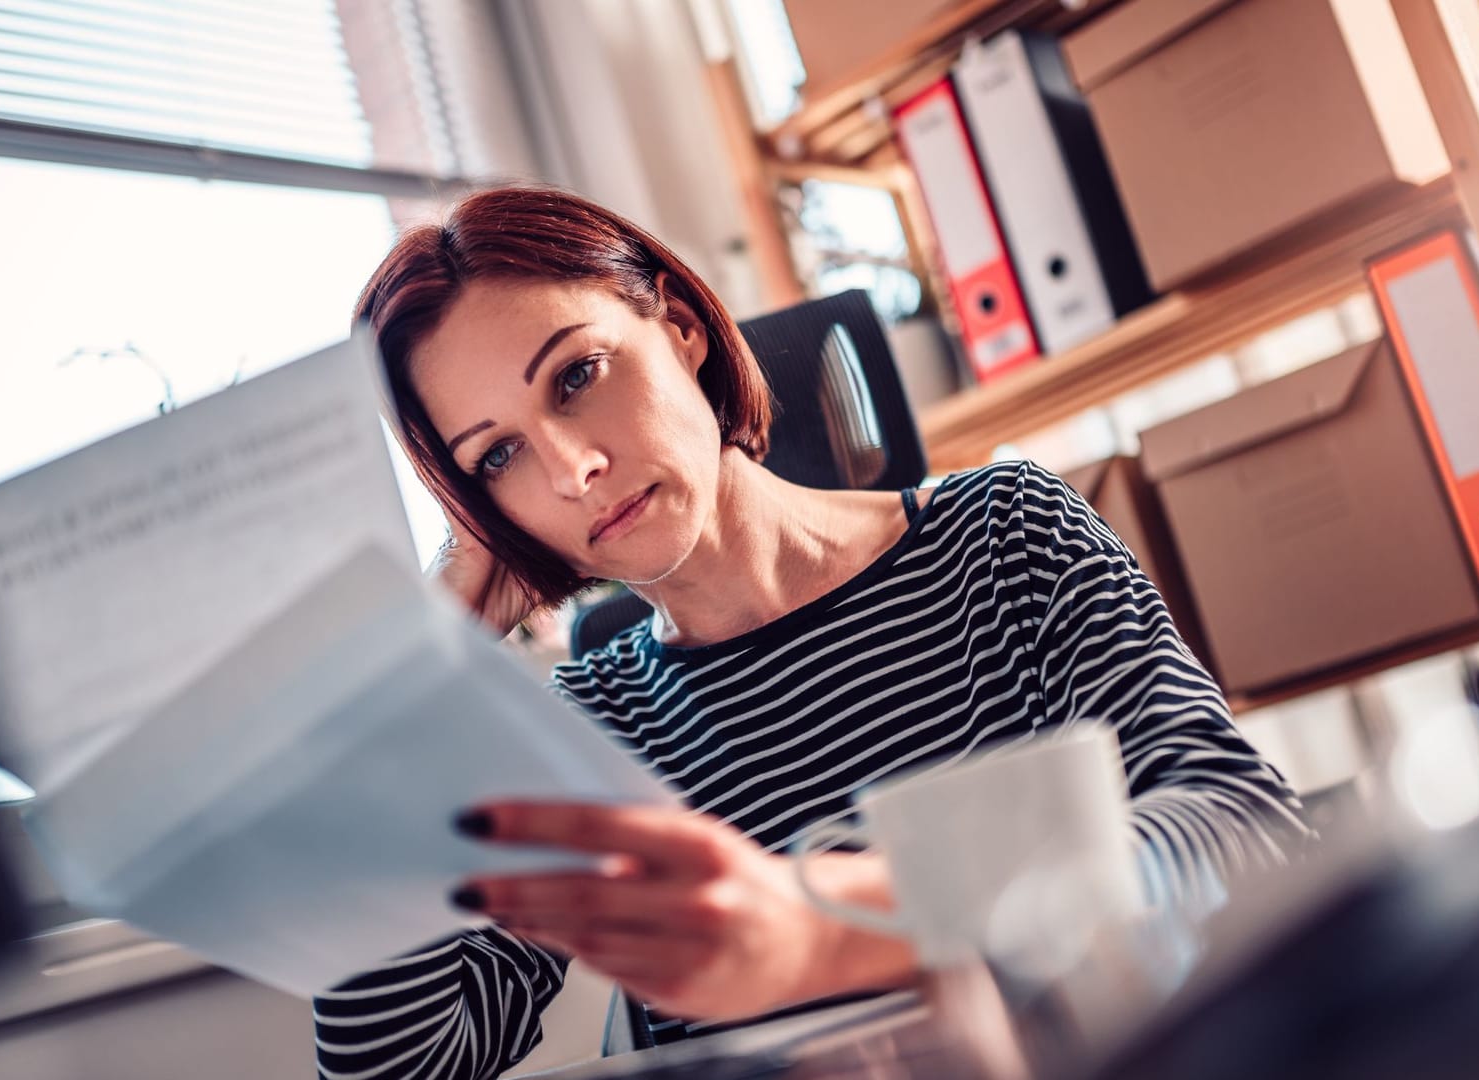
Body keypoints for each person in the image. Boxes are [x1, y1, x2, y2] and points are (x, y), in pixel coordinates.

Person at [313, 186, 1309, 1080]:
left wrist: (830, 927)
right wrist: (414, 676)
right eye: (498, 458)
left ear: (680, 325)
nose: (571, 468)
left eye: (575, 376)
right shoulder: (587, 727)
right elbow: (396, 1071)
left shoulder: (1003, 533)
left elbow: (1243, 828)